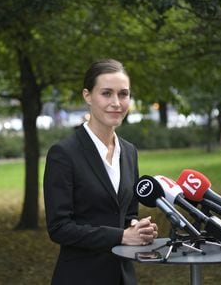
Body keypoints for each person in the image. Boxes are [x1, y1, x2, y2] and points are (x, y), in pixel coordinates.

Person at [43, 59, 158, 285]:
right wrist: (121, 236)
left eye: (123, 94)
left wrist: (138, 228)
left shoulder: (129, 151)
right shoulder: (63, 154)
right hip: (80, 277)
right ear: (87, 96)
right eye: (106, 93)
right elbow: (59, 228)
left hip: (123, 277)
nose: (116, 102)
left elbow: (128, 213)